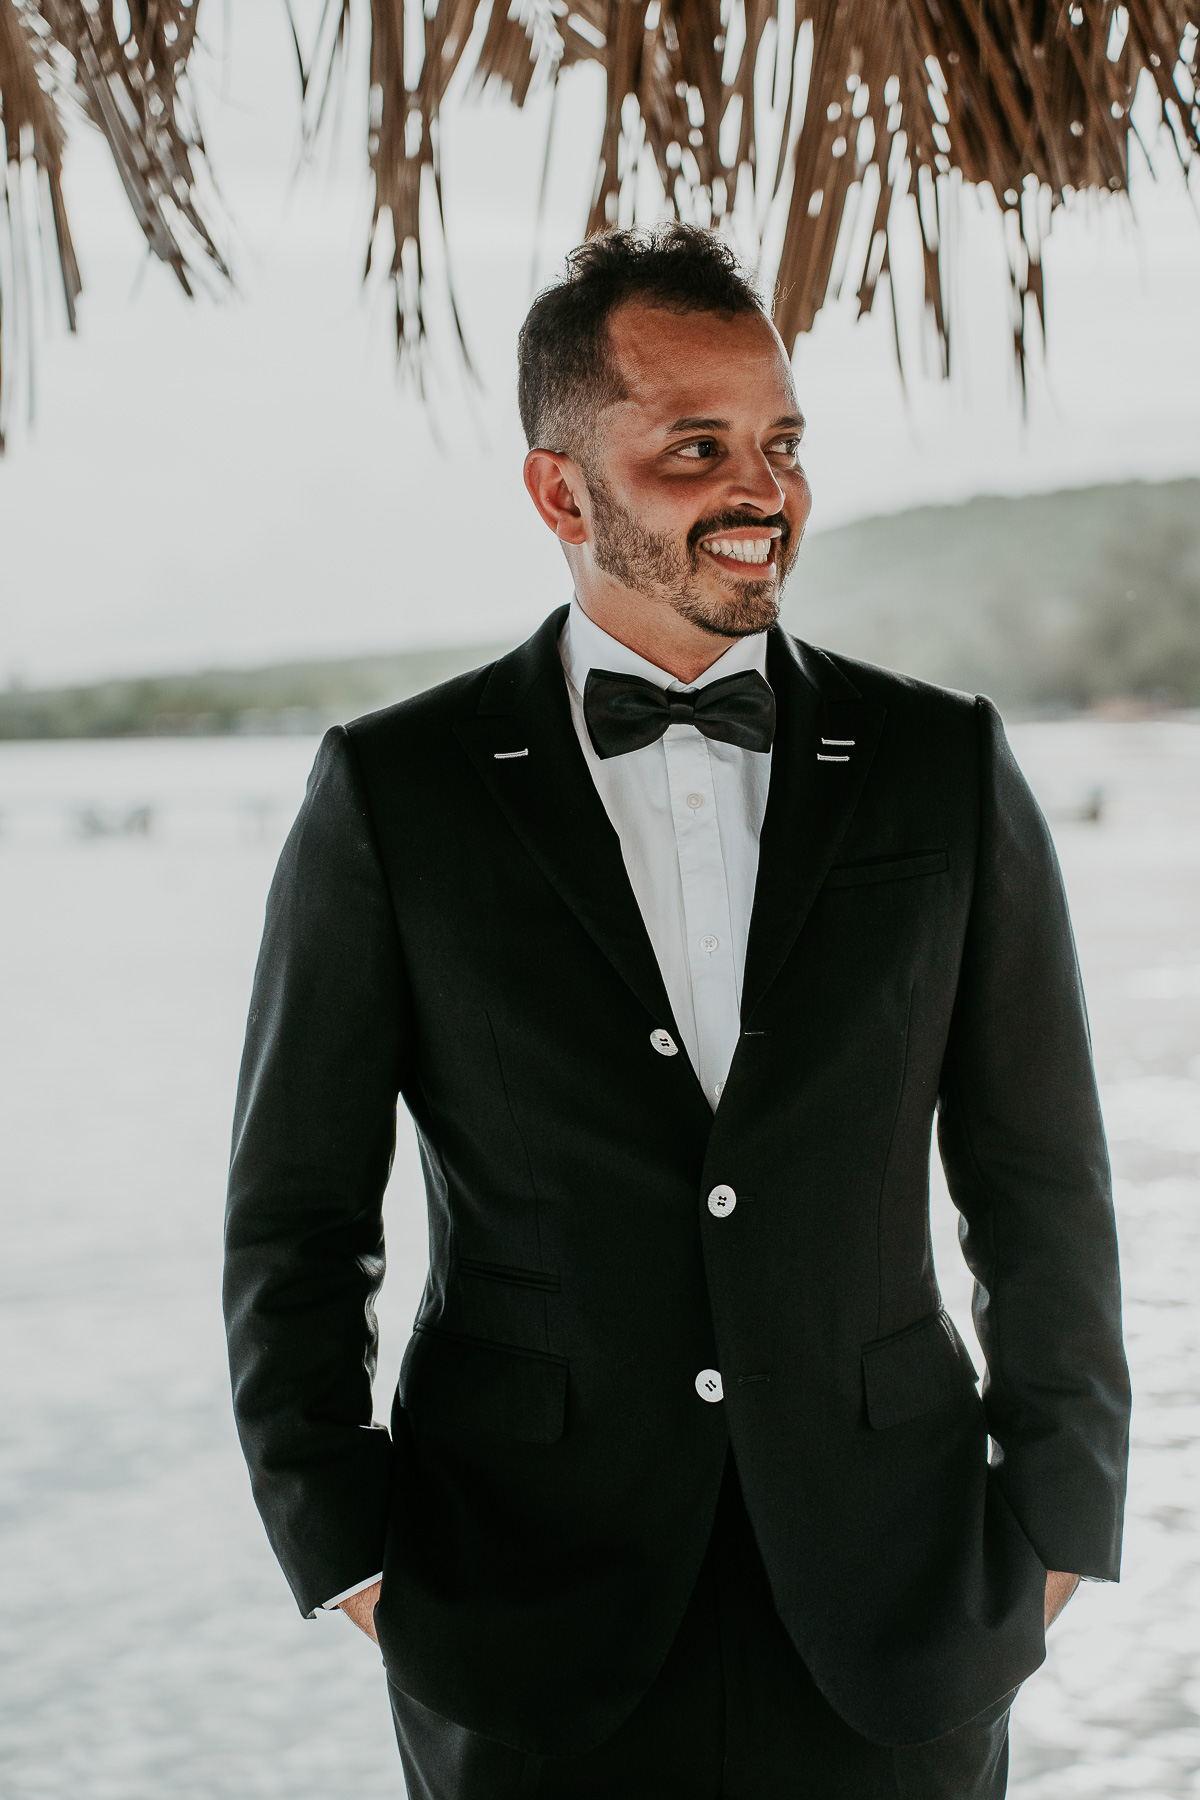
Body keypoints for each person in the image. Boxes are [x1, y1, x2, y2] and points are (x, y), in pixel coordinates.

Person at [223, 224, 1130, 1799]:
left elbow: (1043, 1182)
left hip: (899, 1598)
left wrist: (1060, 1524)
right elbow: (296, 1216)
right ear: (561, 490)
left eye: (779, 443)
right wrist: (349, 1550)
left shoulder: (944, 767)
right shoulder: (395, 790)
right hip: (520, 1615)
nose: (760, 491)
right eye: (694, 447)